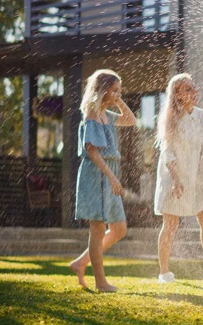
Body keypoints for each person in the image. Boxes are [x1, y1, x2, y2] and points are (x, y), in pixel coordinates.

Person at [154, 73, 203, 283]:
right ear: (177, 94)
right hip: (173, 177)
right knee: (170, 225)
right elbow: (168, 155)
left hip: (196, 178)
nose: (194, 92)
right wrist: (177, 181)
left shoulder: (201, 116)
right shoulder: (170, 119)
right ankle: (164, 273)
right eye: (188, 89)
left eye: (194, 88)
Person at [69, 69, 137, 292]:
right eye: (114, 90)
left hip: (109, 173)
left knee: (119, 228)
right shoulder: (92, 115)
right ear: (102, 90)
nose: (118, 94)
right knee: (97, 230)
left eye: (119, 90)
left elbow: (131, 120)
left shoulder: (107, 115)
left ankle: (81, 262)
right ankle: (101, 282)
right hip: (96, 175)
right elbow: (92, 151)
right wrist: (112, 178)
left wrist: (118, 101)